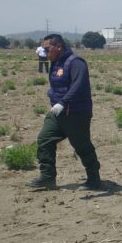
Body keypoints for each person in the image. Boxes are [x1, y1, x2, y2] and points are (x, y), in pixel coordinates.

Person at [28, 34, 104, 190]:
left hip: (75, 113)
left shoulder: (76, 63)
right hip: (58, 112)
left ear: (58, 47)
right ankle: (47, 177)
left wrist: (63, 102)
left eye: (47, 48)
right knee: (45, 139)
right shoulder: (56, 63)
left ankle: (94, 179)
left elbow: (79, 85)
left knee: (81, 146)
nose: (44, 51)